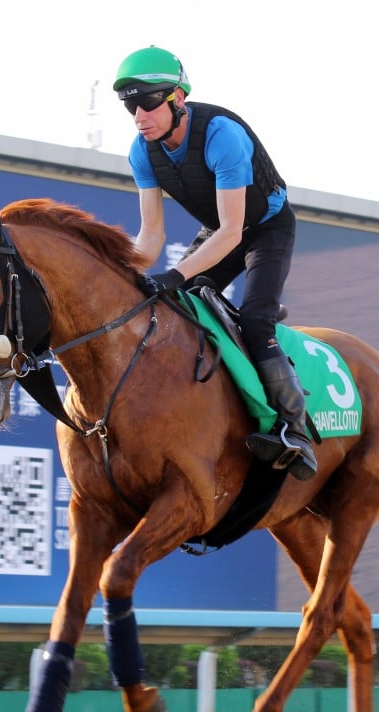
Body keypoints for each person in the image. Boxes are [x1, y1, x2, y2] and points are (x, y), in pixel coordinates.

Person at [113, 45, 316, 481]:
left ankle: (294, 430)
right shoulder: (141, 152)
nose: (139, 116)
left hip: (264, 228)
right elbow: (151, 237)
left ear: (177, 99)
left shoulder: (221, 135)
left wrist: (175, 274)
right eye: (130, 106)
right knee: (171, 309)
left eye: (148, 102)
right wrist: (121, 272)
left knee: (256, 323)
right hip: (221, 229)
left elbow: (233, 231)